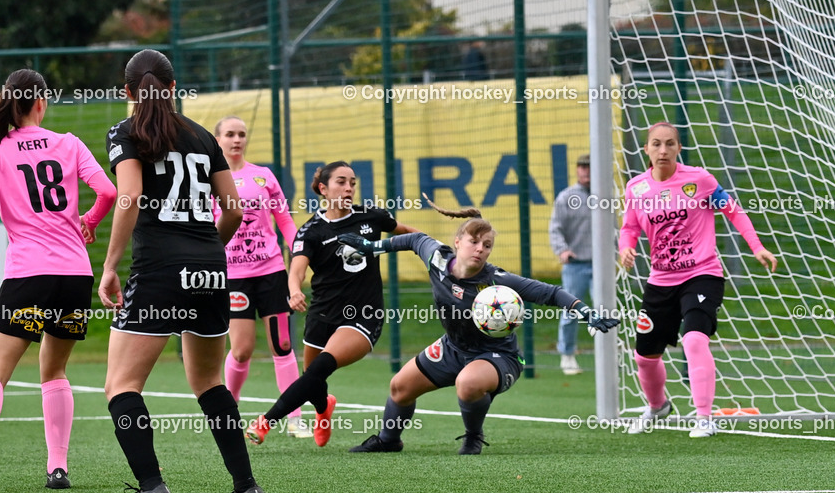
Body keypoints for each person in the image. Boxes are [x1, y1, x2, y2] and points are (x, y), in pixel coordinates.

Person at [98, 49, 265, 493]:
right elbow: (234, 209)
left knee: (121, 385)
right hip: (211, 269)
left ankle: (151, 486)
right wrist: (207, 248)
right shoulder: (203, 136)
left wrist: (110, 265)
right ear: (173, 88)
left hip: (159, 271)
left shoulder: (126, 132)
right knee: (210, 382)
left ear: (128, 91)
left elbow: (129, 196)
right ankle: (246, 487)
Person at [0, 69, 117, 493]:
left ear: (9, 101)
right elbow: (109, 193)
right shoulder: (70, 143)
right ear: (41, 102)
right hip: (75, 275)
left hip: (28, 274)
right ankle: (57, 467)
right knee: (55, 371)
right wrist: (90, 222)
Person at [340, 199, 619, 455]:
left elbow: (552, 293)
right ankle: (389, 440)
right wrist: (371, 247)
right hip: (453, 348)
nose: (480, 249)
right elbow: (414, 239)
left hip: (497, 356)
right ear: (458, 242)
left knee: (467, 384)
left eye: (487, 245)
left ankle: (473, 435)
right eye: (474, 242)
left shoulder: (498, 280)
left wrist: (586, 312)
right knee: (400, 387)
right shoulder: (436, 257)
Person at [242, 161, 419, 447]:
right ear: (323, 189)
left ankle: (265, 423)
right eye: (341, 182)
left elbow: (411, 235)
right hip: (322, 313)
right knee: (314, 383)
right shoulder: (311, 230)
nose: (348, 188)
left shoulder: (371, 217)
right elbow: (297, 268)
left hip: (363, 315)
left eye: (352, 183)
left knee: (318, 369)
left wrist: (441, 251)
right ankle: (324, 408)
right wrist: (294, 291)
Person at [620, 122, 777, 438]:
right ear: (646, 149)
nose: (662, 150)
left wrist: (757, 247)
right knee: (645, 356)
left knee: (694, 339)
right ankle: (657, 406)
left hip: (702, 275)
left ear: (679, 148)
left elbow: (733, 211)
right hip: (661, 280)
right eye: (656, 144)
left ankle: (704, 418)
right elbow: (630, 227)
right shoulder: (636, 188)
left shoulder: (699, 180)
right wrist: (626, 248)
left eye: (669, 144)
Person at [213, 116, 310, 439]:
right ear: (218, 140)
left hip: (271, 272)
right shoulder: (209, 180)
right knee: (241, 349)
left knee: (283, 345)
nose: (236, 139)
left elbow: (284, 219)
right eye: (230, 134)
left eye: (241, 134)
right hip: (234, 277)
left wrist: (300, 253)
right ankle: (228, 411)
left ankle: (295, 417)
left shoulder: (263, 177)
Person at [550, 153, 593, 376]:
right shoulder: (566, 197)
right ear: (577, 170)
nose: (585, 171)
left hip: (600, 265)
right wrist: (562, 250)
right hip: (575, 265)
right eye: (582, 167)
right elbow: (555, 228)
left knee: (606, 309)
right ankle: (567, 355)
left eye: (589, 166)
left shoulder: (605, 195)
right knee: (572, 310)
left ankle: (609, 355)